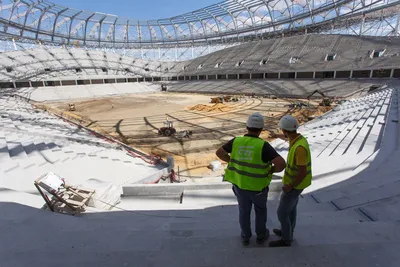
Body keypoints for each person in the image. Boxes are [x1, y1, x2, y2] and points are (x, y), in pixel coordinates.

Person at [216, 112, 286, 246]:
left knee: (244, 211)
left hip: (240, 185)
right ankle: (261, 235)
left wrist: (231, 161)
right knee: (260, 211)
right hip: (258, 188)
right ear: (261, 129)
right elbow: (281, 164)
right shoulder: (263, 146)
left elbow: (219, 153)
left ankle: (245, 236)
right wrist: (271, 170)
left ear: (247, 126)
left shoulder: (236, 141)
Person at [269, 115, 312, 247]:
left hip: (295, 184)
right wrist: (276, 135)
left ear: (285, 131)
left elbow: (302, 171)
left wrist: (290, 186)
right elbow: (288, 137)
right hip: (297, 184)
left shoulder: (299, 148)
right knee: (291, 209)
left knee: (282, 212)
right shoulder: (297, 140)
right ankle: (287, 231)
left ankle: (286, 239)